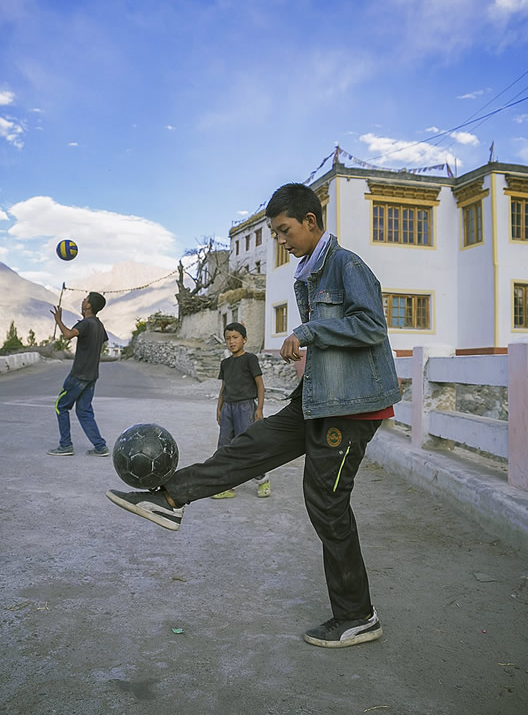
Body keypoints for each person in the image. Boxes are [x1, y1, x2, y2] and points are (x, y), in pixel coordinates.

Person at [106, 183, 401, 648]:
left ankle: (357, 615)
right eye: (276, 232)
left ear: (310, 221)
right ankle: (170, 499)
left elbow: (370, 325)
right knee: (251, 446)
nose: (281, 241)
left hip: (353, 409)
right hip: (319, 398)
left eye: (284, 230)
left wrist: (308, 331)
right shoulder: (311, 270)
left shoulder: (346, 265)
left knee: (326, 502)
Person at [211, 322, 270, 500]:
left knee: (248, 445)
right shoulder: (225, 363)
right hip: (228, 407)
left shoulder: (250, 359)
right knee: (224, 445)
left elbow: (260, 385)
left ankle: (263, 480)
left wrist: (259, 408)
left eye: (235, 337)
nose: (231, 342)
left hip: (246, 407)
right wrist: (219, 408)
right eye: (228, 338)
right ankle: (225, 484)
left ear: (244, 339)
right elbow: (224, 387)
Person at [48, 292, 110, 457]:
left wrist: (58, 321)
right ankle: (100, 446)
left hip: (78, 375)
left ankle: (65, 445)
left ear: (88, 305)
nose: (83, 300)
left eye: (85, 299)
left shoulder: (86, 324)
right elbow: (101, 341)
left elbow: (68, 335)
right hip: (92, 375)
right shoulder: (99, 325)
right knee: (84, 411)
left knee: (61, 406)